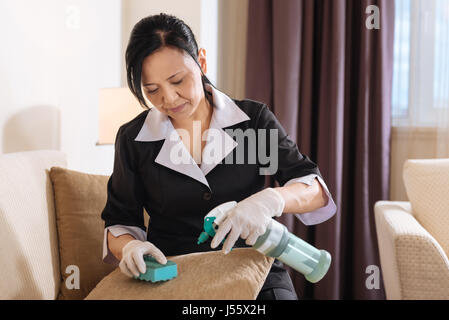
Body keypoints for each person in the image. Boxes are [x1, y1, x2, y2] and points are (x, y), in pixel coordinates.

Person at [101, 13, 337, 300]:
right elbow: (120, 223)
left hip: (254, 273)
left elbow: (314, 191)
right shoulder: (134, 139)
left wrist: (270, 201)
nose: (170, 99)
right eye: (152, 90)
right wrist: (129, 247)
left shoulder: (252, 121)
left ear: (201, 62)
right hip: (175, 276)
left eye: (178, 80)